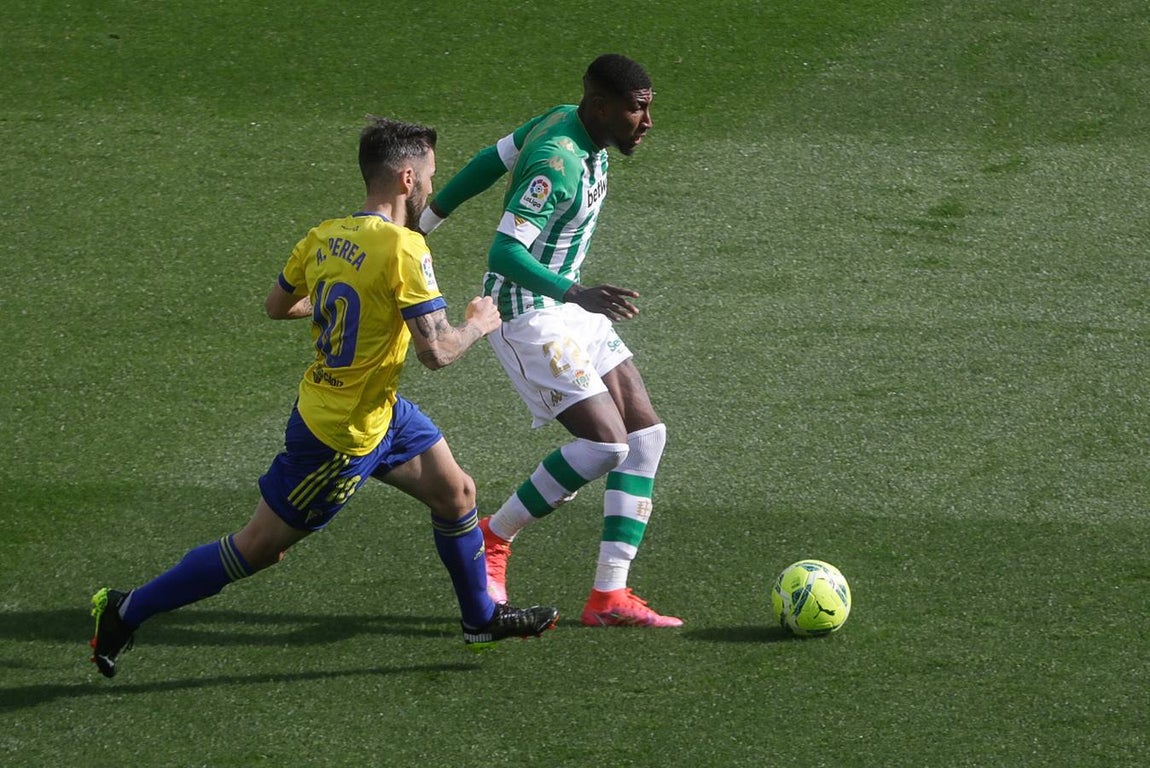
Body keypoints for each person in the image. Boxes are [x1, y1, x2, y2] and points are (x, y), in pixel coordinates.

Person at [89, 117, 559, 678]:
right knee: (259, 547)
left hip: (378, 410)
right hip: (340, 437)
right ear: (407, 179)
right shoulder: (404, 249)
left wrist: (355, 300)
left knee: (457, 493)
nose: (433, 185)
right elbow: (437, 353)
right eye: (431, 174)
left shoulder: (325, 236)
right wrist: (479, 323)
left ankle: (480, 618)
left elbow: (277, 305)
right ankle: (127, 609)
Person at [417, 54, 681, 628]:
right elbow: (504, 253)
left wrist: (424, 223)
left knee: (646, 437)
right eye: (637, 110)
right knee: (607, 447)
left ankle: (608, 596)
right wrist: (576, 291)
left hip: (569, 306)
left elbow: (490, 160)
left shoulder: (566, 120)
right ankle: (494, 536)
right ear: (601, 107)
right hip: (528, 314)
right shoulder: (556, 162)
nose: (647, 122)